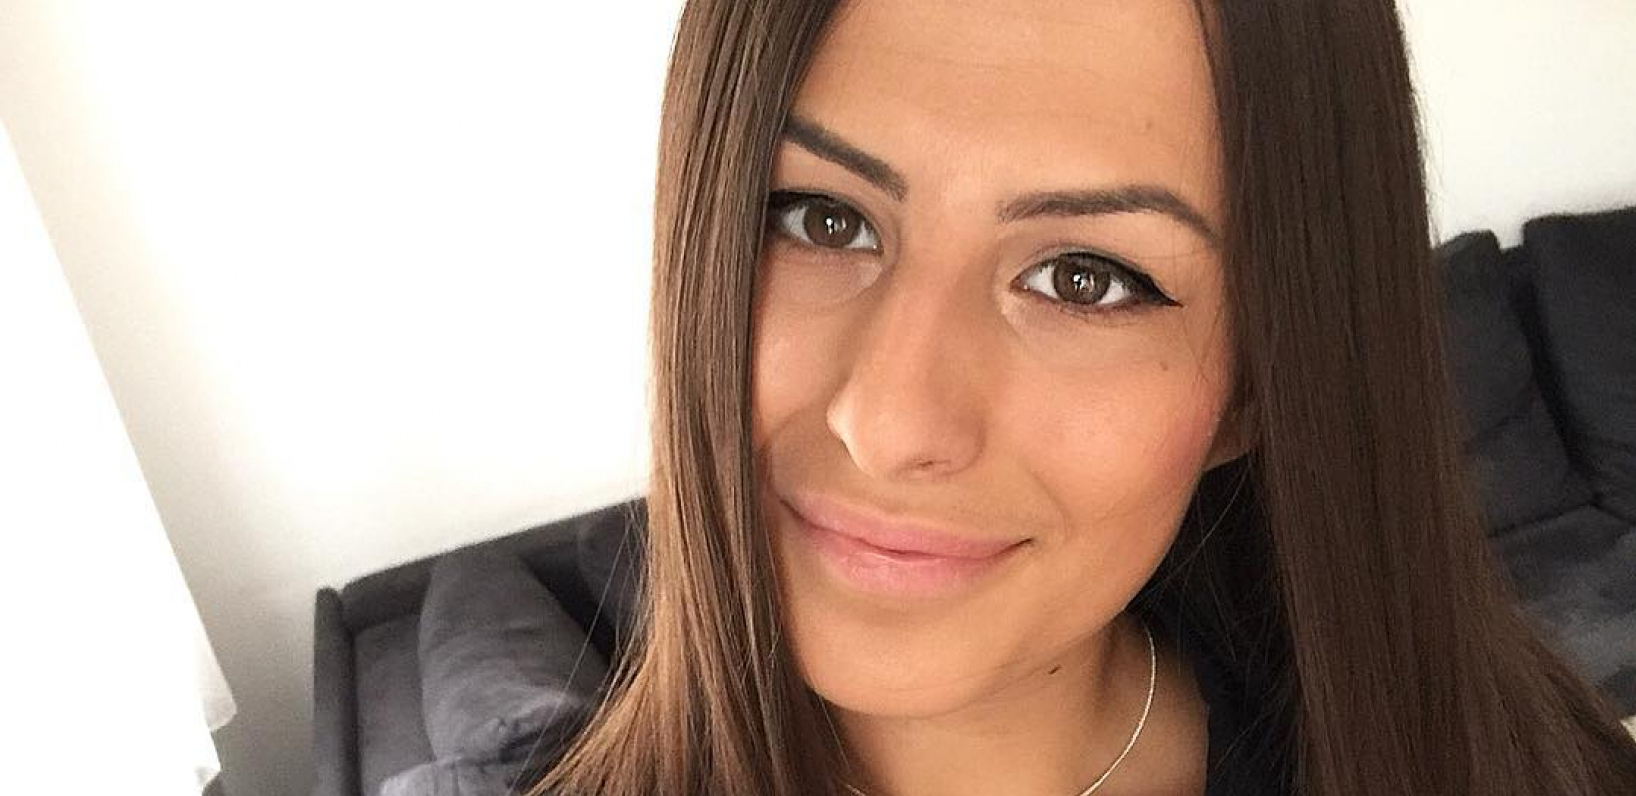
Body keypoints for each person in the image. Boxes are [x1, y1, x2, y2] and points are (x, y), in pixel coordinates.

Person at [529, 1, 1636, 794]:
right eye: (822, 219)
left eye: (1083, 279)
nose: (891, 422)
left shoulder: (1520, 763)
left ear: (1255, 388)